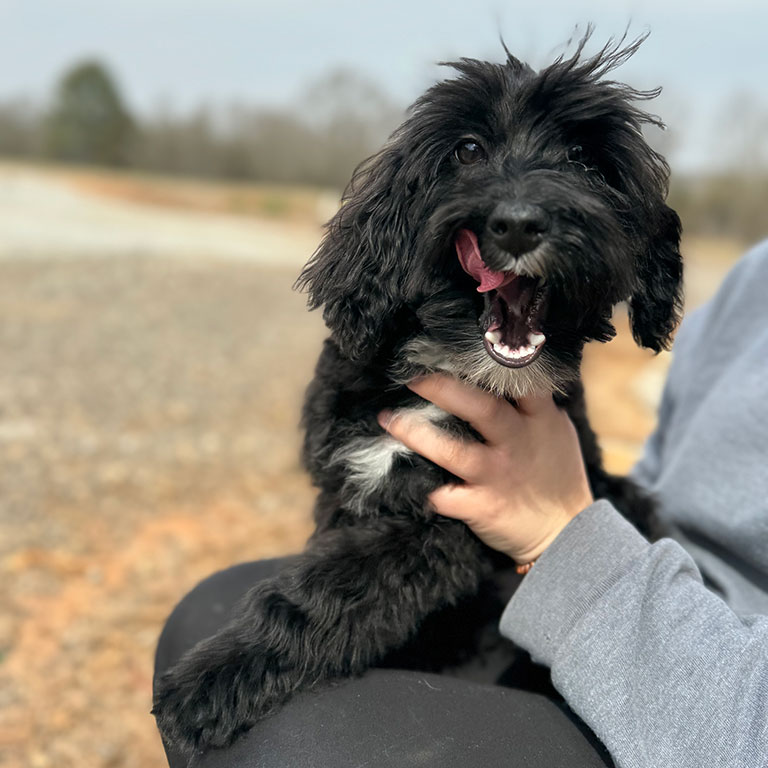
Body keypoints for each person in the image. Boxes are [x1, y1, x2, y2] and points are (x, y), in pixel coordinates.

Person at [154, 241, 768, 768]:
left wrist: (557, 530)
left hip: (700, 699)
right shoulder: (753, 280)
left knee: (289, 742)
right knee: (202, 617)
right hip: (638, 586)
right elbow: (662, 480)